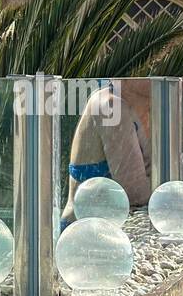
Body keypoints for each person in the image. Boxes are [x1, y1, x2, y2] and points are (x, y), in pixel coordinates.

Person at [60, 79, 152, 226]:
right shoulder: (110, 107)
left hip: (124, 230)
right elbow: (135, 193)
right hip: (83, 235)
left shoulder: (160, 104)